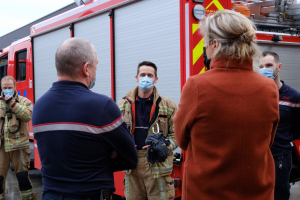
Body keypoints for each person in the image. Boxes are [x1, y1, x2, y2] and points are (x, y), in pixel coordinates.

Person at [174, 10, 279, 200]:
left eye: (205, 43)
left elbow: (181, 140)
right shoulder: (268, 87)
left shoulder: (197, 85)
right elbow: (268, 141)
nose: (205, 49)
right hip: (257, 191)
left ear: (215, 44)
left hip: (206, 192)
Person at [32, 38, 138, 200]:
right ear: (86, 69)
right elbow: (131, 158)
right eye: (96, 65)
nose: (96, 71)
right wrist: (103, 157)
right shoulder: (102, 106)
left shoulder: (39, 106)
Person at [117, 61, 178, 200]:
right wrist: (123, 146)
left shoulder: (168, 105)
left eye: (150, 75)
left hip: (158, 165)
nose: (146, 78)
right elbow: (115, 135)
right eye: (142, 74)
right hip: (132, 165)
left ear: (156, 79)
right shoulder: (121, 105)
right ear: (136, 77)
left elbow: (177, 135)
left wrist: (165, 146)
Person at [259, 51, 300, 200]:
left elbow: (297, 130)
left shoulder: (294, 97)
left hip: (280, 159)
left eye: (269, 65)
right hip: (258, 158)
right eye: (261, 66)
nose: (265, 69)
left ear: (279, 67)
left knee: (279, 195)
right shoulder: (256, 95)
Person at [0, 76, 36, 200]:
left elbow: (27, 117)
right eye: (4, 88)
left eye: (9, 88)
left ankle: (28, 198)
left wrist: (13, 104)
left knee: (23, 178)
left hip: (19, 146)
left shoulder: (24, 101)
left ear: (15, 87)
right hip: (1, 147)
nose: (7, 90)